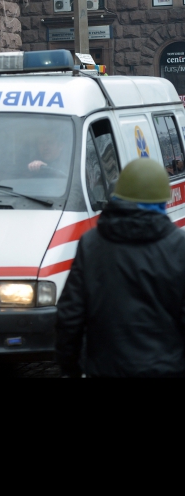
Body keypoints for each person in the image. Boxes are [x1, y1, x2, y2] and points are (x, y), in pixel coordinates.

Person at [56, 158, 185, 378]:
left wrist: (71, 368)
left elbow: (69, 316)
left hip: (106, 369)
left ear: (118, 197)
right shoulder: (179, 247)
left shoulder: (92, 245)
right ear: (163, 201)